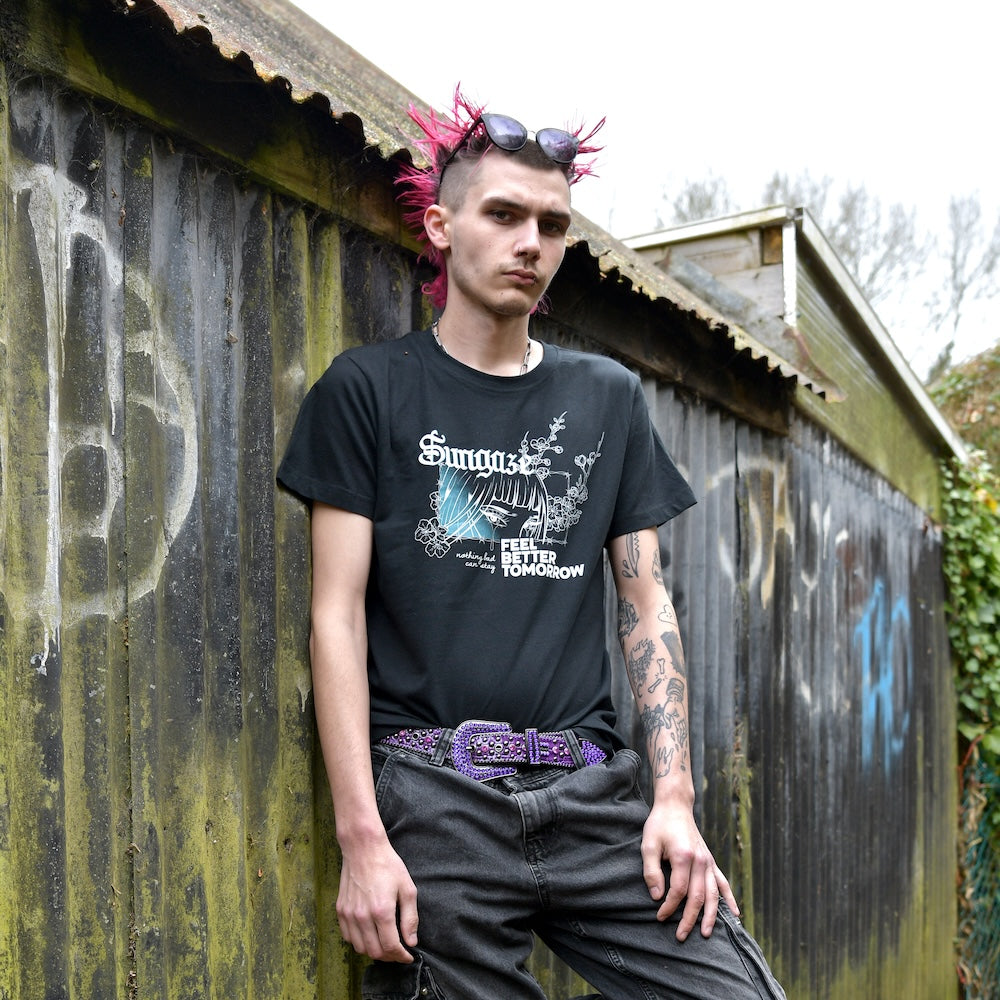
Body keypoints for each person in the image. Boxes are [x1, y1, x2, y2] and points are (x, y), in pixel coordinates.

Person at [278, 91, 785, 1000]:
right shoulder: (367, 390)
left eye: (552, 225)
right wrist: (362, 836)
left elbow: (645, 606)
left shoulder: (607, 397)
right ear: (442, 226)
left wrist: (674, 799)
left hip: (592, 795)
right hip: (436, 796)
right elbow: (335, 619)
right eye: (504, 215)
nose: (531, 244)